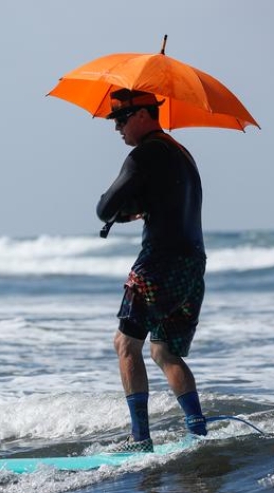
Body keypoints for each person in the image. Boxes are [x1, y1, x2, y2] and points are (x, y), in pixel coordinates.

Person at [96, 89, 207, 452]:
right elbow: (164, 203)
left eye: (121, 119)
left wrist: (114, 209)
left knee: (125, 343)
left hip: (158, 264)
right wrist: (137, 209)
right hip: (191, 265)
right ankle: (197, 432)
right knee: (163, 351)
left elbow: (104, 207)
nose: (117, 128)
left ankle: (140, 439)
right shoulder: (181, 154)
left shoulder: (143, 154)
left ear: (144, 114)